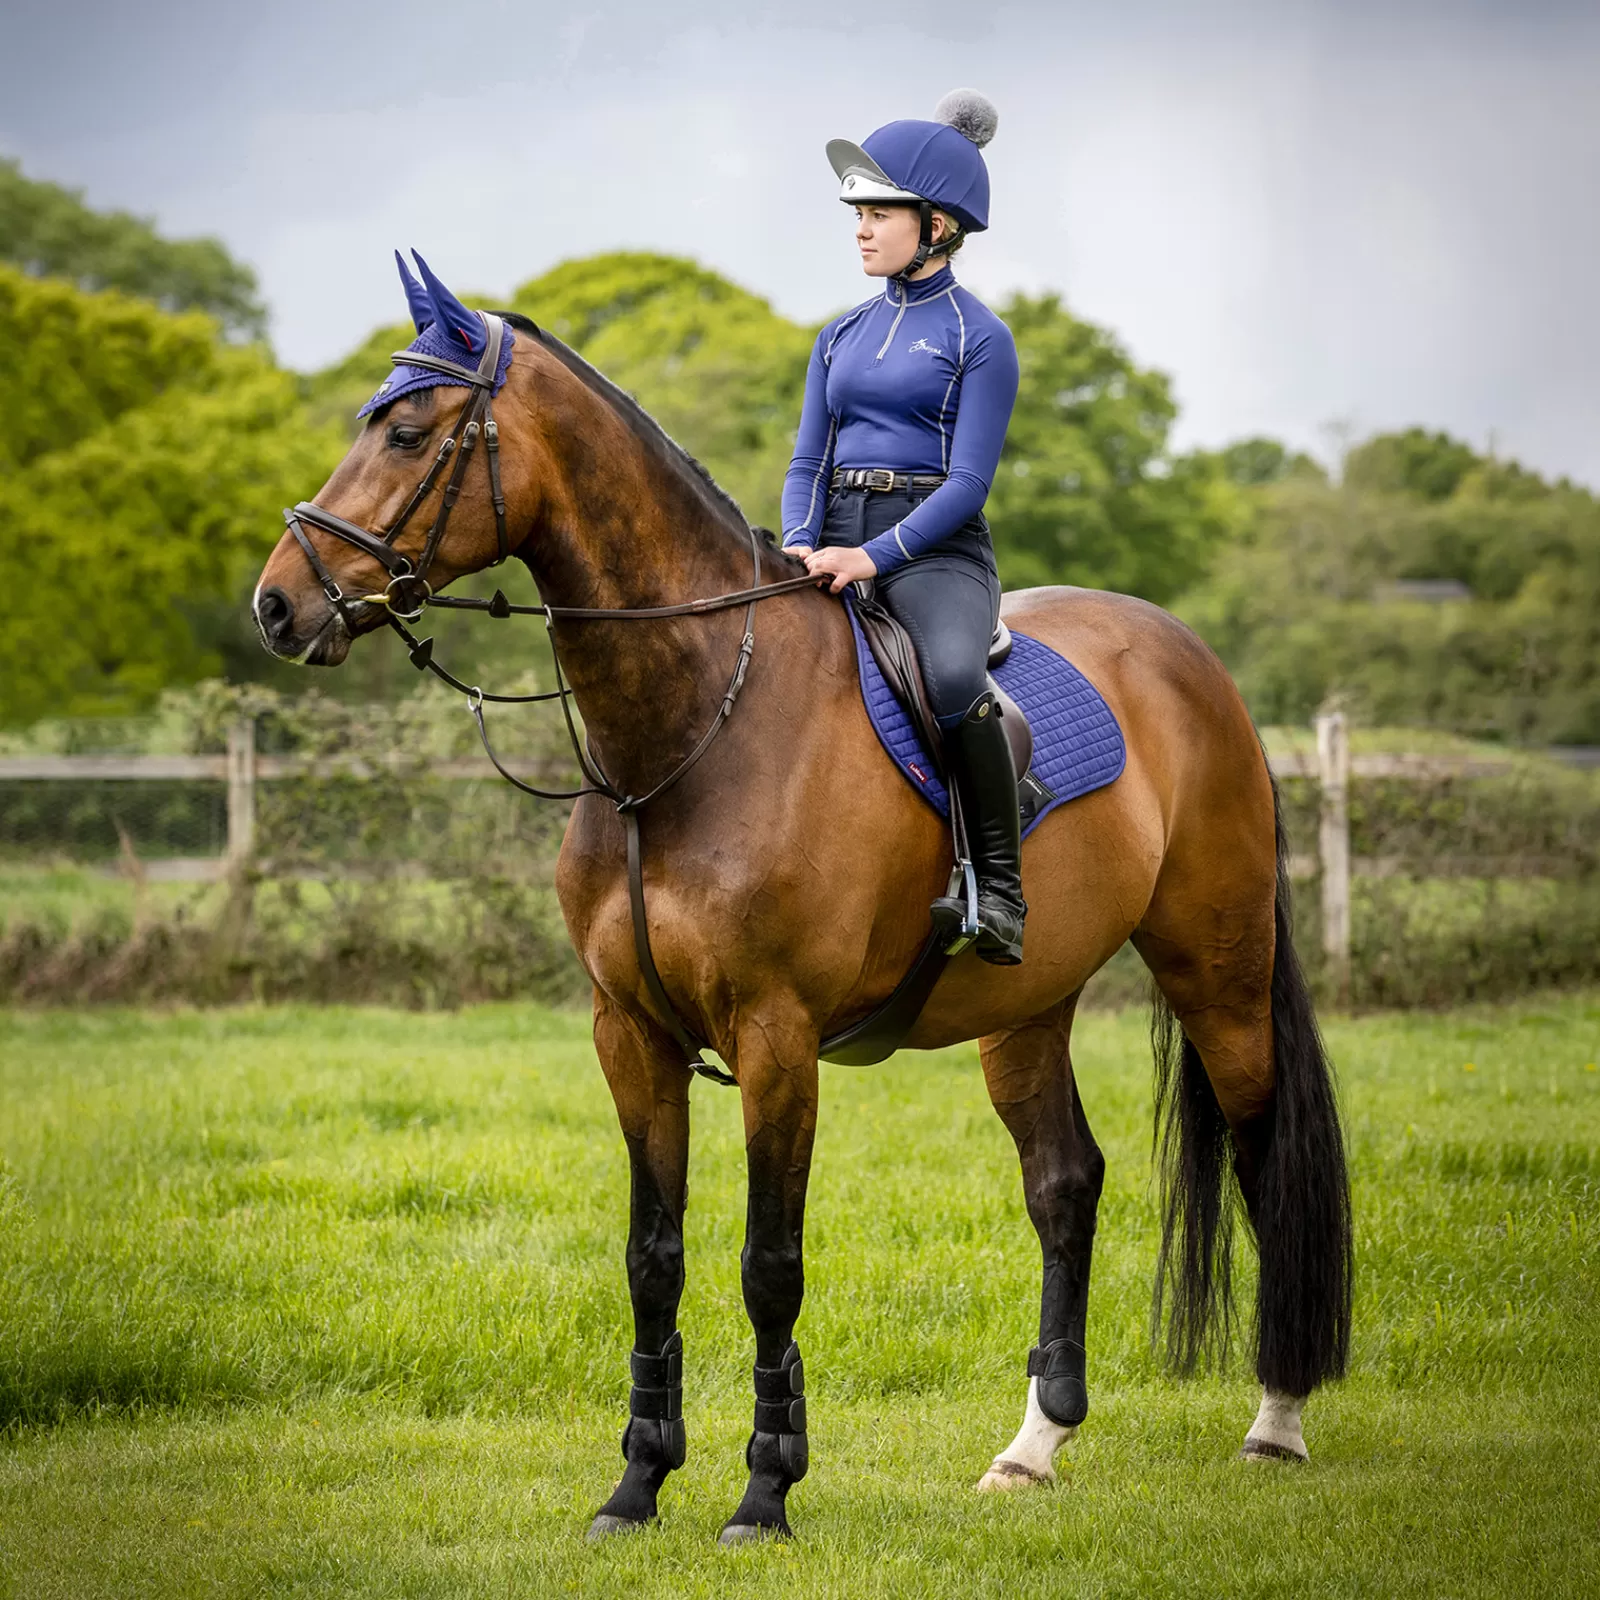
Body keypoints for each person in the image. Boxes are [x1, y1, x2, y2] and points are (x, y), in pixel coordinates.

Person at [781, 89, 1027, 965]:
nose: (861, 227)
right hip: (834, 529)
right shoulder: (838, 334)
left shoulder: (981, 339)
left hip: (934, 550)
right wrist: (798, 541)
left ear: (939, 226)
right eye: (858, 211)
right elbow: (807, 461)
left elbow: (967, 485)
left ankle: (999, 887)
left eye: (879, 211)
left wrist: (874, 554)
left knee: (955, 677)